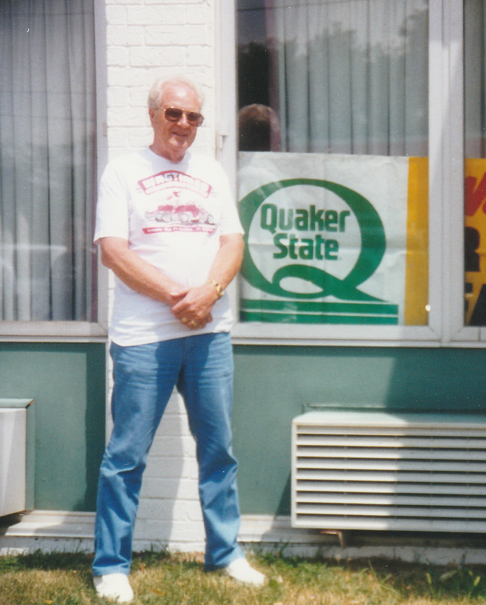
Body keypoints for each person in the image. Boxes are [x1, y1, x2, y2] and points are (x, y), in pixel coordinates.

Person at [91, 75, 265, 602]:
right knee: (126, 455)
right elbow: (113, 250)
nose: (183, 124)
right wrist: (179, 297)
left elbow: (233, 243)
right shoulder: (123, 171)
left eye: (193, 117)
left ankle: (225, 553)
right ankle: (111, 566)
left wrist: (208, 294)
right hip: (144, 339)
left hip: (209, 335)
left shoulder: (210, 171)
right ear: (153, 115)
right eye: (173, 113)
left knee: (218, 450)